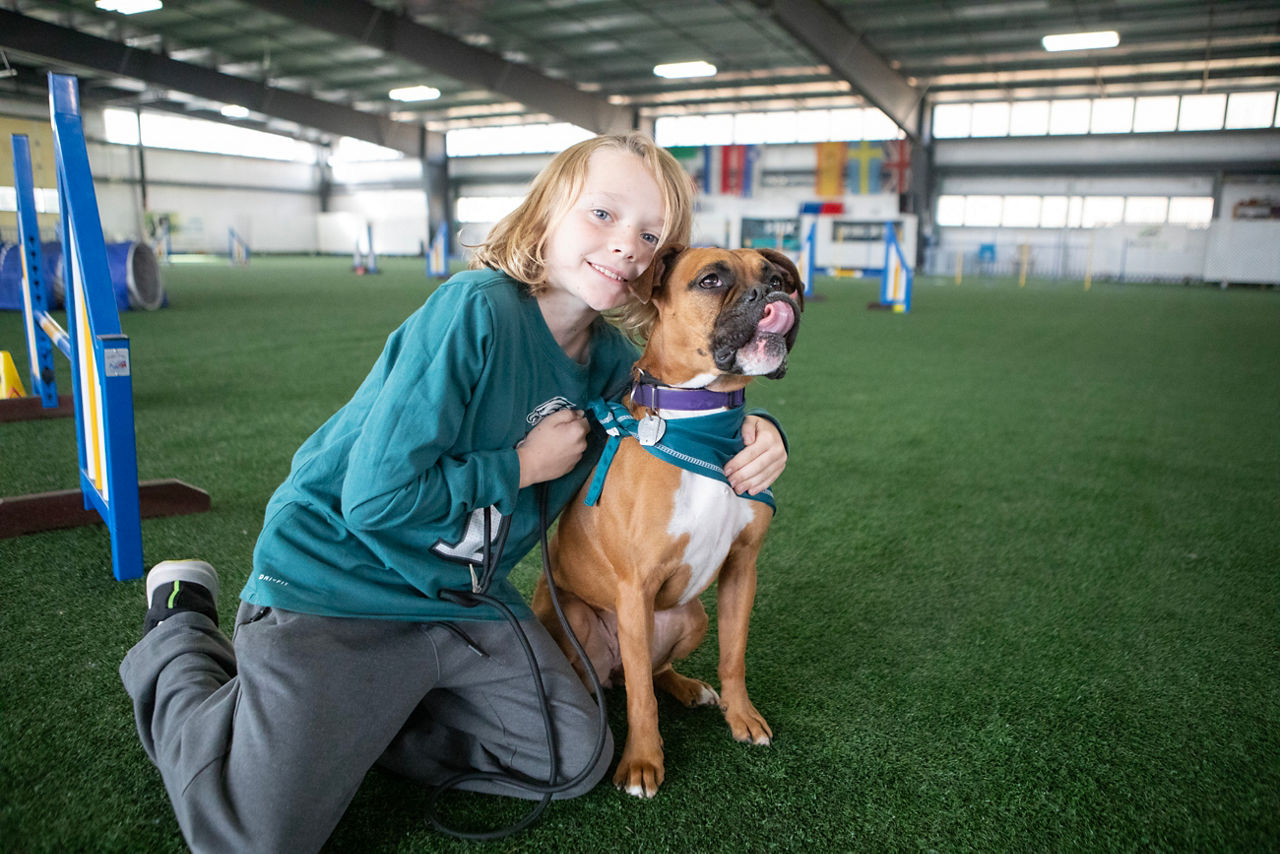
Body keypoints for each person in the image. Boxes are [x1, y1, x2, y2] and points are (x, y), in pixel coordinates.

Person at [119, 132, 789, 853]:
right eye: (602, 214)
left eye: (650, 233)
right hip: (337, 584)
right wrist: (520, 466)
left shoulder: (611, 365)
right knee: (252, 838)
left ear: (660, 268)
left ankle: (343, 727)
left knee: (575, 758)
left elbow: (685, 413)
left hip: (465, 601)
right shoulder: (473, 311)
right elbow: (373, 501)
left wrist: (763, 433)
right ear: (544, 216)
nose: (627, 243)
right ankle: (181, 633)